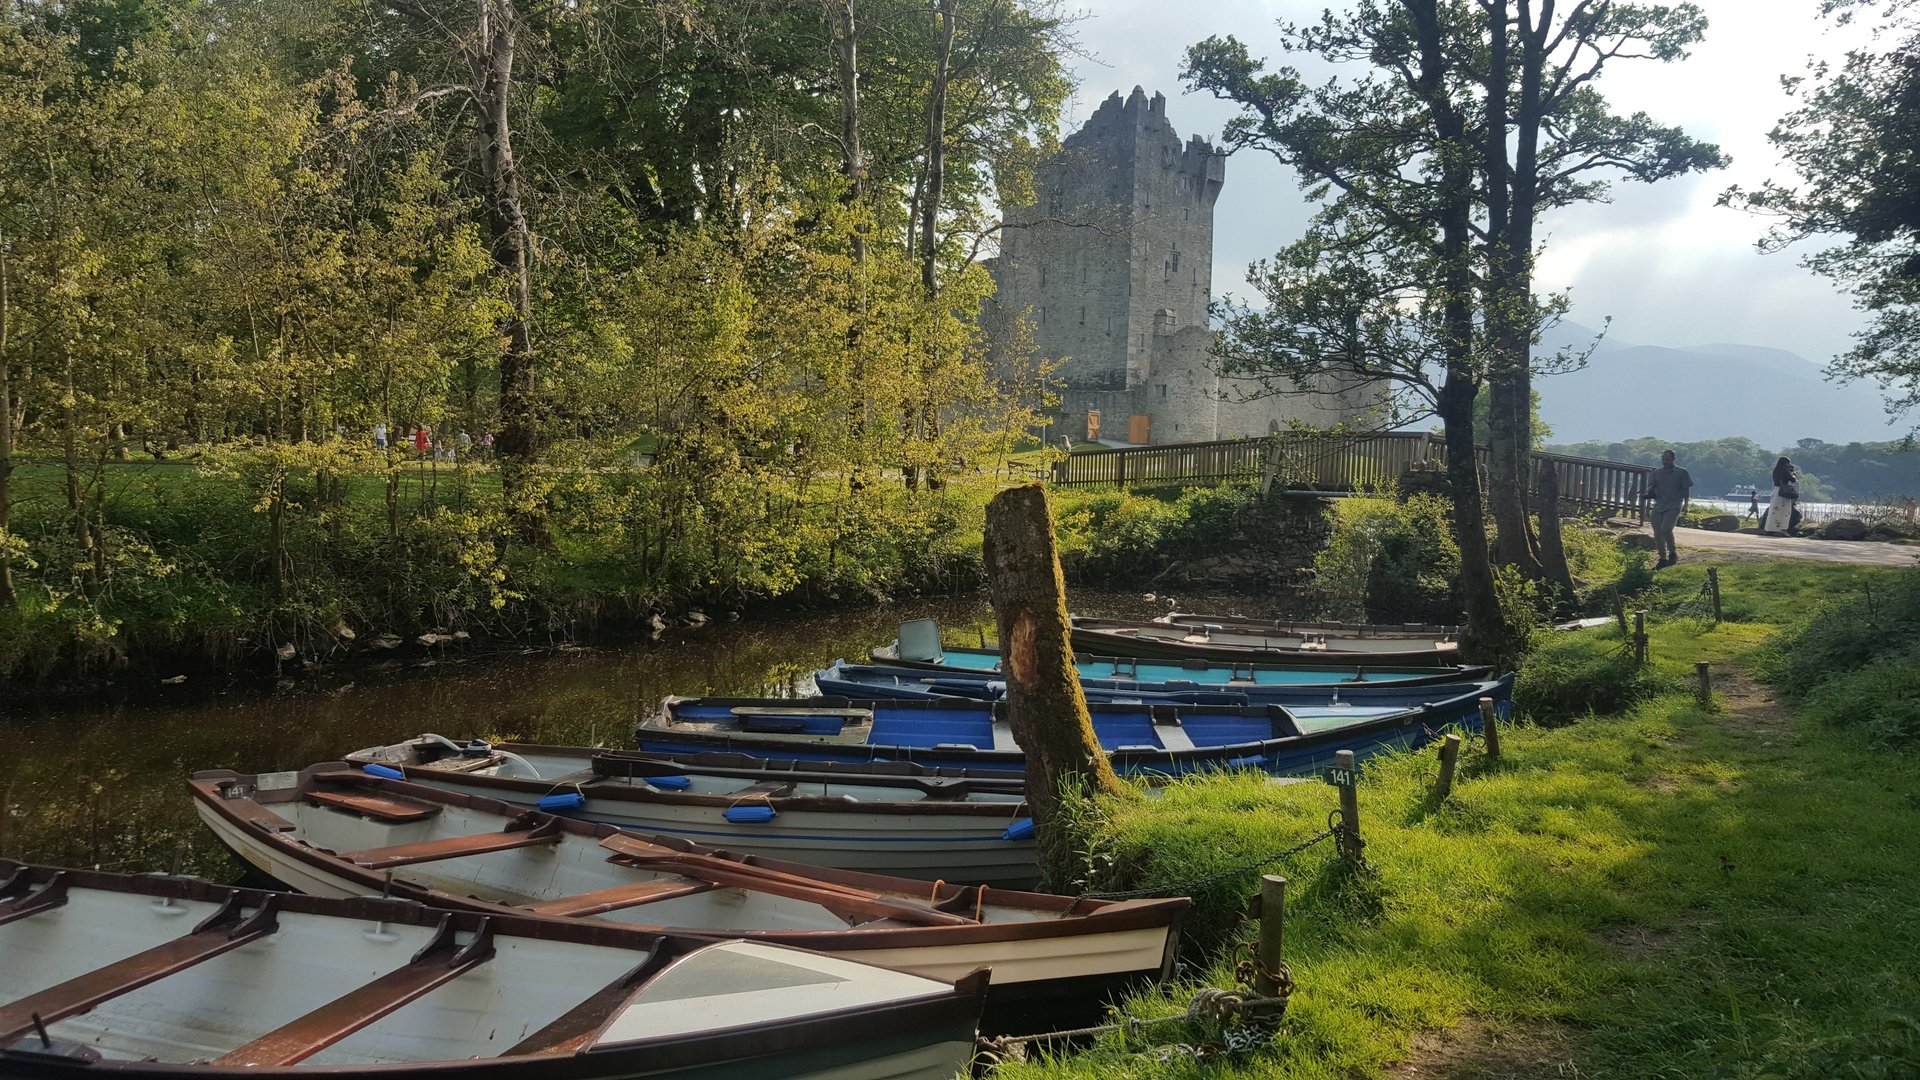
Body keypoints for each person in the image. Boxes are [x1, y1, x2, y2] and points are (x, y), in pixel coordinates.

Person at [1640, 448, 1693, 568]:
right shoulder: (1657, 473)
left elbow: (1686, 489)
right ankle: (1662, 558)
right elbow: (1652, 487)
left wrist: (1686, 504)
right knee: (1657, 532)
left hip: (1674, 505)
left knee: (1666, 529)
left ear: (1673, 459)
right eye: (1663, 459)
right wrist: (1647, 493)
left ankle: (1672, 553)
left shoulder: (1682, 472)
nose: (1665, 461)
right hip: (1659, 505)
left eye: (1667, 459)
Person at [1763, 456, 1799, 536]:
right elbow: (1792, 480)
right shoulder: (1785, 471)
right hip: (1783, 492)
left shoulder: (1775, 470)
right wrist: (1793, 474)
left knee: (1774, 511)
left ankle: (1770, 528)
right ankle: (1782, 528)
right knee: (1785, 511)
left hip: (1776, 491)